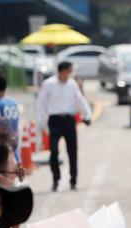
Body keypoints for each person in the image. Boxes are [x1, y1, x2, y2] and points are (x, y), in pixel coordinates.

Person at [36, 61, 92, 192]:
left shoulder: (72, 84)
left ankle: (73, 179)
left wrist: (87, 114)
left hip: (69, 120)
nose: (70, 73)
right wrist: (41, 122)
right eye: (69, 70)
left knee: (72, 151)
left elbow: (80, 99)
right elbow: (41, 103)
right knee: (54, 150)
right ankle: (56, 178)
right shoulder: (49, 84)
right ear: (62, 70)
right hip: (54, 120)